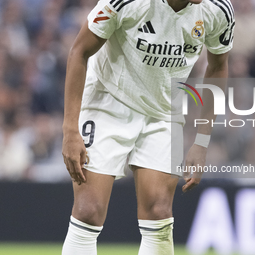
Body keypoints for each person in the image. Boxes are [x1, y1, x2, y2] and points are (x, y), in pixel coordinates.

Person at [61, 0, 235, 254]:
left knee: (159, 213)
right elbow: (79, 51)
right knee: (89, 210)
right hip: (108, 101)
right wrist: (70, 130)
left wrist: (201, 142)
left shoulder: (218, 8)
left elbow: (218, 66)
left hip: (165, 112)